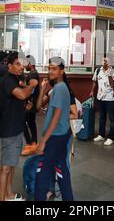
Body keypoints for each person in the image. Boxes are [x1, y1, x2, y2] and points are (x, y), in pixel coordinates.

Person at [0, 52, 38, 201]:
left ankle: (9, 195)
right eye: (18, 64)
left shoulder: (15, 79)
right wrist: (32, 86)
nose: (22, 67)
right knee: (5, 168)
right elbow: (21, 95)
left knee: (12, 164)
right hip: (10, 129)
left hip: (16, 127)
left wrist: (25, 107)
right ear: (10, 66)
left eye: (23, 64)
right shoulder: (7, 79)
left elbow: (16, 100)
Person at [35, 57, 74, 201]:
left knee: (43, 172)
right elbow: (39, 106)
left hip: (56, 136)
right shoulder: (58, 88)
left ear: (62, 71)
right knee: (61, 169)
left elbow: (56, 116)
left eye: (54, 69)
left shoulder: (60, 88)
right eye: (49, 68)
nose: (50, 71)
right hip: (61, 134)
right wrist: (42, 89)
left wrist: (44, 140)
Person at [90, 57, 114, 146]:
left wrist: (109, 73)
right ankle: (101, 135)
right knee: (102, 117)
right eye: (104, 60)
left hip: (111, 98)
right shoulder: (98, 70)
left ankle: (111, 137)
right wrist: (92, 91)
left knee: (112, 118)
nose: (105, 62)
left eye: (107, 61)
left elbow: (113, 84)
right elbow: (95, 81)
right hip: (100, 97)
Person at [22, 55, 40, 156]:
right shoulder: (34, 73)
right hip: (32, 102)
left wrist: (22, 84)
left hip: (30, 103)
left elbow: (32, 89)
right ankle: (34, 144)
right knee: (31, 123)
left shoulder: (33, 74)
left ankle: (29, 144)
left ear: (30, 63)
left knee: (22, 122)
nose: (24, 65)